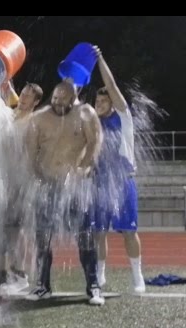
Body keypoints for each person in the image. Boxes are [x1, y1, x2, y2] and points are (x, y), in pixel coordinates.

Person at [26, 81, 105, 305]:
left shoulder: (85, 113)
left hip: (75, 184)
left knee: (85, 236)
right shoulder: (39, 118)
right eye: (55, 99)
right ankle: (42, 285)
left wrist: (86, 166)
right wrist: (37, 174)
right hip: (48, 183)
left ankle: (93, 285)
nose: (58, 104)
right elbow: (30, 152)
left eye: (63, 100)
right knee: (42, 237)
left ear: (74, 99)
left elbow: (95, 141)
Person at [93, 47, 145, 293]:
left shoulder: (123, 117)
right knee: (98, 232)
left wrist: (100, 58)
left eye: (104, 100)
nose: (99, 104)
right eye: (97, 101)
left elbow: (111, 85)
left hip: (123, 181)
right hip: (100, 182)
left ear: (113, 103)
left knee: (128, 231)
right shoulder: (92, 123)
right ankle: (99, 276)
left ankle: (137, 276)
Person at [0, 83, 43, 297]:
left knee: (20, 230)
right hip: (4, 180)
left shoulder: (33, 122)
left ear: (36, 102)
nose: (24, 98)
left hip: (23, 182)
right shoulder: (9, 115)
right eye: (23, 94)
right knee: (6, 229)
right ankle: (7, 273)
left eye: (29, 96)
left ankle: (21, 274)